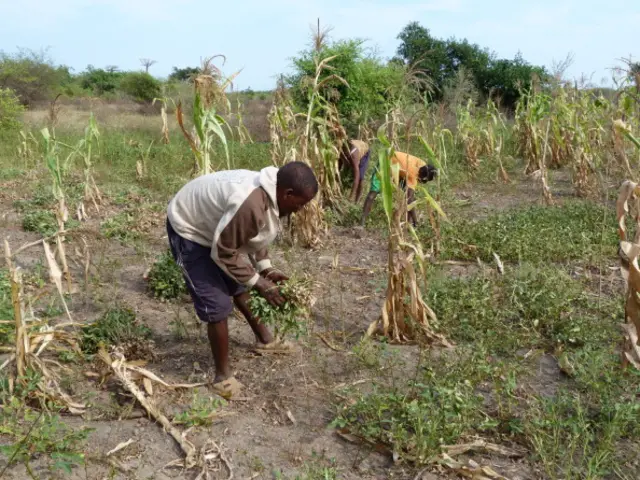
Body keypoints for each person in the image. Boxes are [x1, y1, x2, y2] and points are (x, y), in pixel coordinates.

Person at [166, 162, 318, 397]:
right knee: (217, 304)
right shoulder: (250, 203)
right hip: (190, 229)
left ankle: (265, 341)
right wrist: (260, 283)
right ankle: (222, 377)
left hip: (216, 231)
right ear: (287, 194)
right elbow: (224, 251)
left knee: (239, 283)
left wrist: (265, 269)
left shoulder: (271, 193)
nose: (299, 210)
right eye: (299, 204)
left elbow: (253, 233)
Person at [360, 151, 437, 227]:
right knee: (374, 192)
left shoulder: (423, 164)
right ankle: (362, 222)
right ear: (422, 178)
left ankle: (408, 223)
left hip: (394, 159)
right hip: (385, 161)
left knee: (410, 196)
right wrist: (416, 221)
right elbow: (410, 200)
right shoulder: (413, 175)